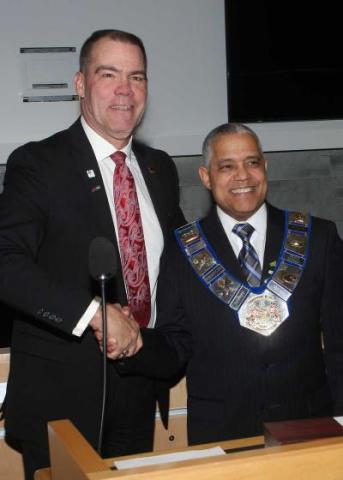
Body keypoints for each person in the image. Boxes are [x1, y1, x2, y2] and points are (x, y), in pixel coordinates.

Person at [0, 29, 184, 479]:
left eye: (137, 77)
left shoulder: (159, 169)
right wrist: (96, 315)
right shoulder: (37, 164)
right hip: (62, 398)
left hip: (140, 387)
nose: (126, 89)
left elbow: (182, 266)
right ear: (80, 83)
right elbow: (6, 263)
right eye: (109, 74)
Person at [121, 122, 343, 446]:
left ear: (265, 168)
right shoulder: (182, 250)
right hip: (223, 435)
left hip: (308, 431)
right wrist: (133, 344)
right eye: (227, 166)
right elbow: (175, 345)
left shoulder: (317, 238)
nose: (243, 176)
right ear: (206, 177)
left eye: (252, 162)